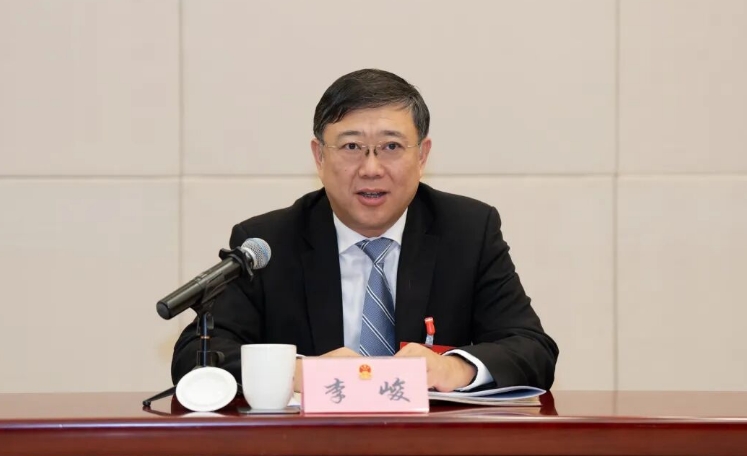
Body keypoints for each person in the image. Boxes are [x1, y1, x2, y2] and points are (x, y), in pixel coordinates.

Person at [171, 68, 558, 392]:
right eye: (352, 147)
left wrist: (455, 368)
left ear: (422, 156)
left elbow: (532, 348)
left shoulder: (468, 231)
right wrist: (299, 372)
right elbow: (195, 356)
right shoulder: (269, 243)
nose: (371, 169)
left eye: (391, 147)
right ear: (319, 157)